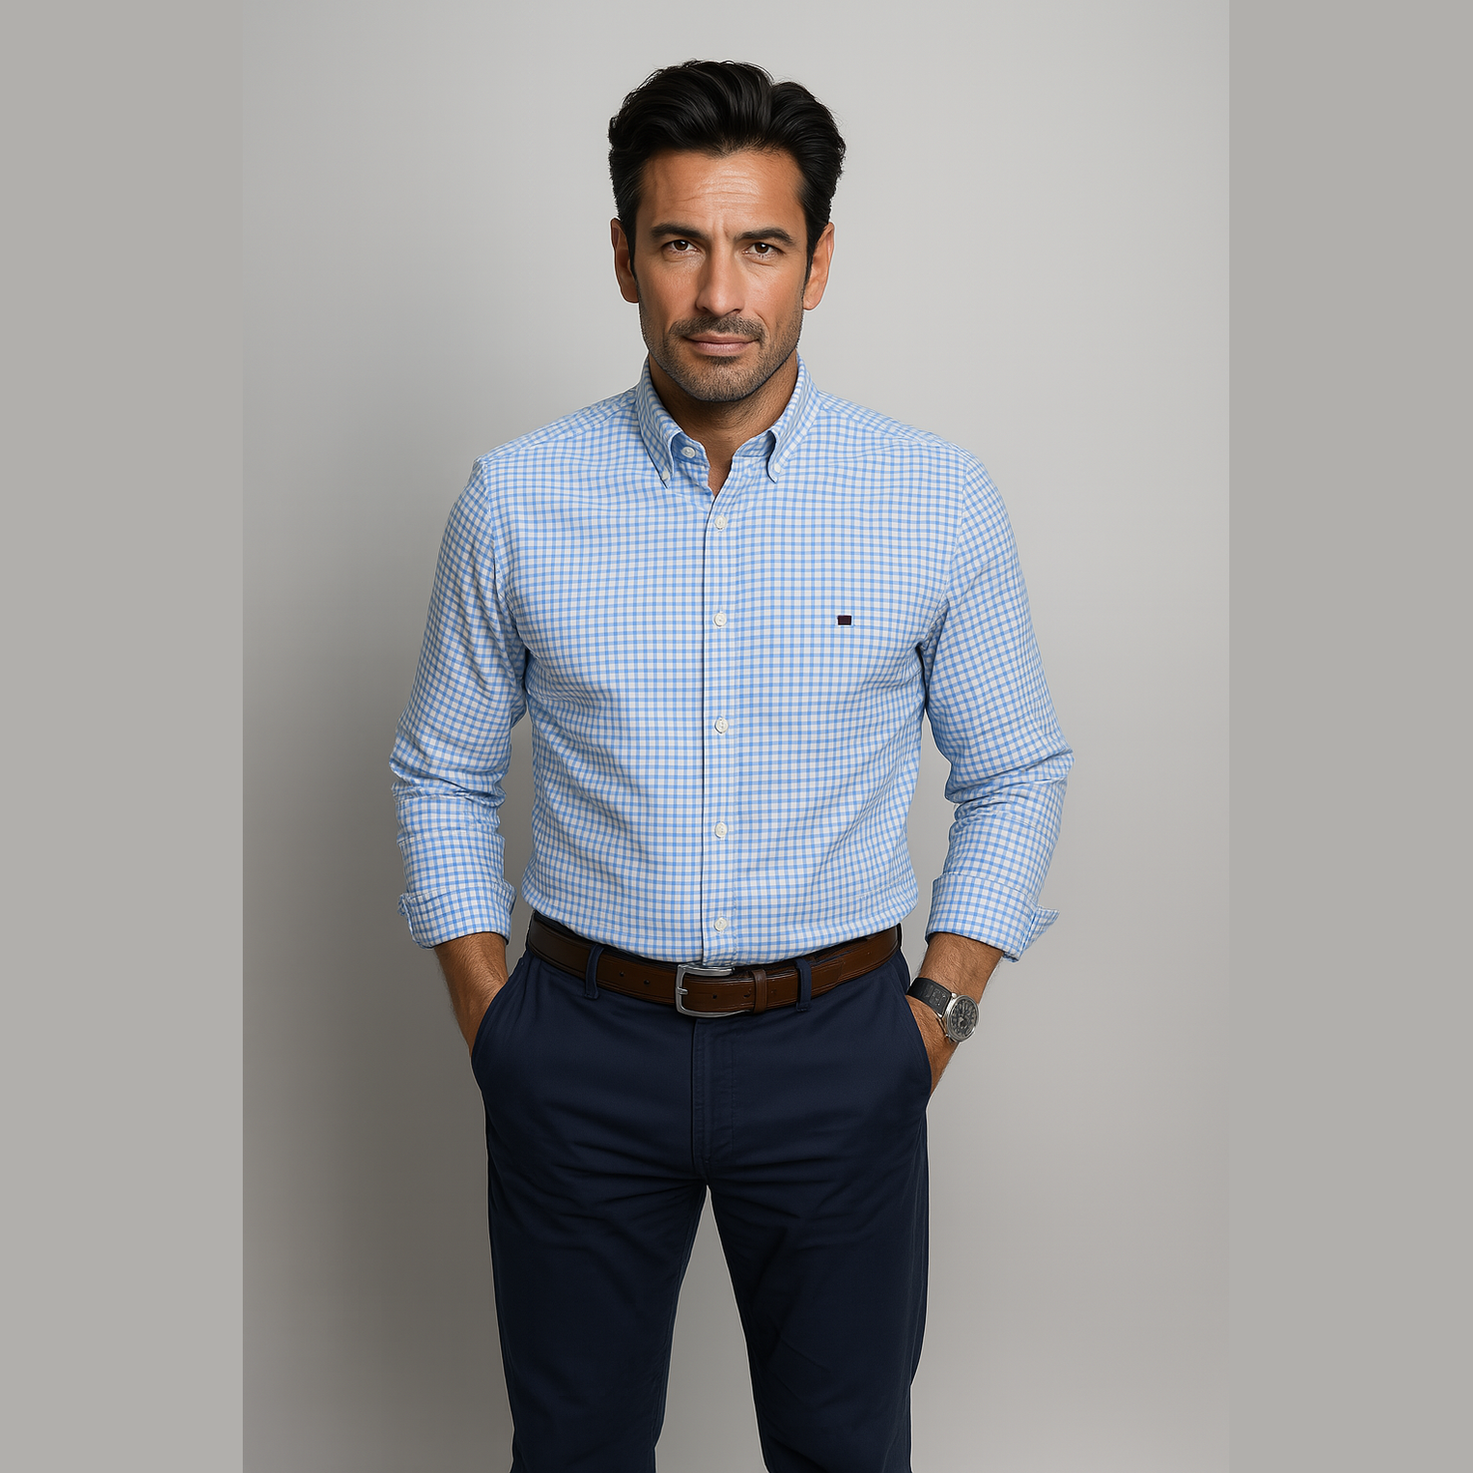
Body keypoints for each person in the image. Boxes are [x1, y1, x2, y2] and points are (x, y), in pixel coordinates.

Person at [391, 59, 1071, 1473]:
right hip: (580, 1048)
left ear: (817, 265)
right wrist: (494, 1022)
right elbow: (442, 772)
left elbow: (1015, 768)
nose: (718, 293)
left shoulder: (934, 499)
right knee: (573, 1452)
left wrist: (935, 1015)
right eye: (679, 243)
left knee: (844, 1452)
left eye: (760, 245)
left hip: (839, 1048)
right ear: (623, 259)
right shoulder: (517, 497)